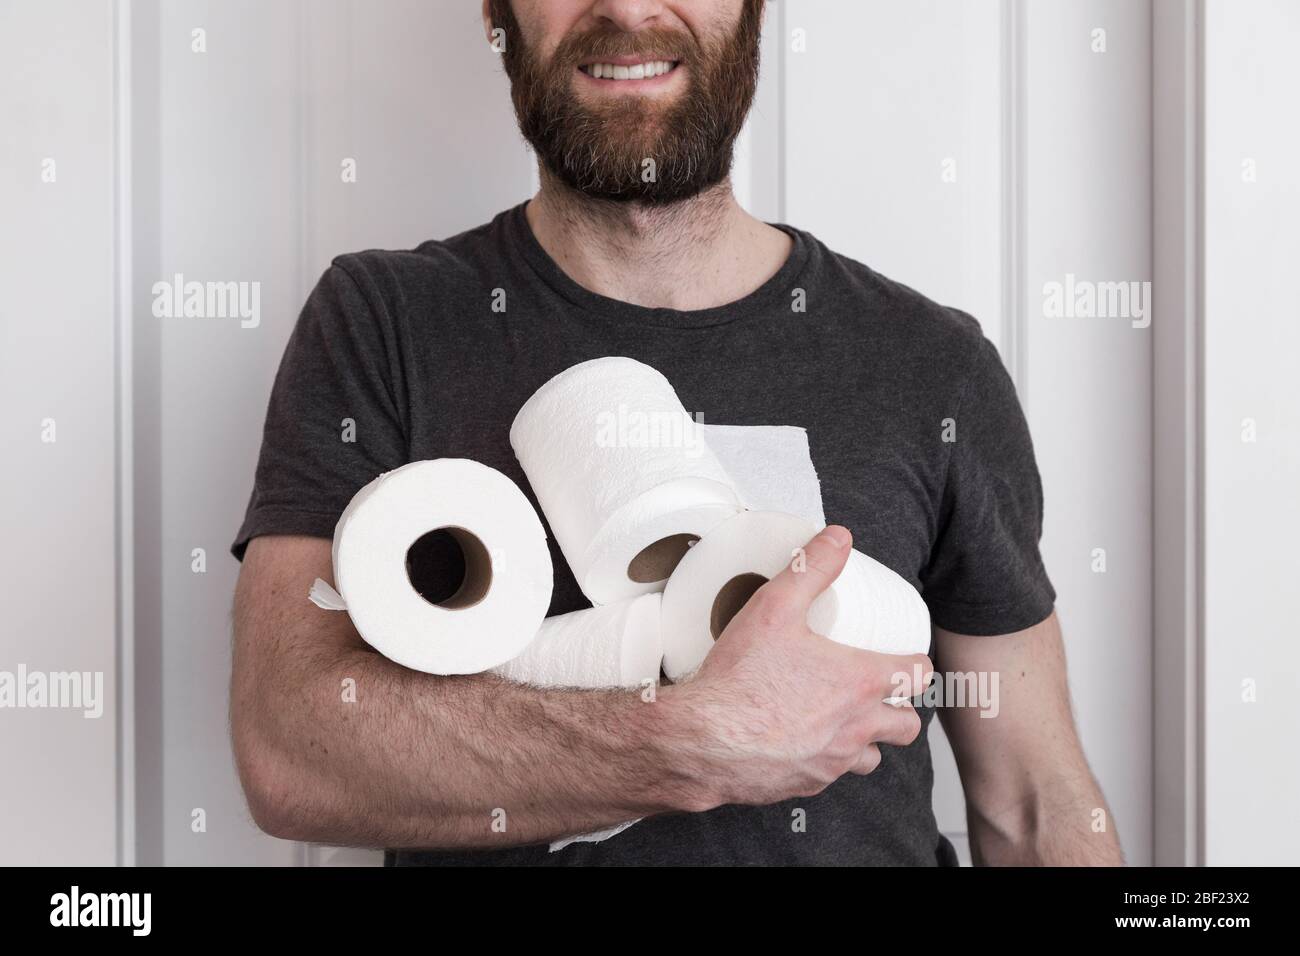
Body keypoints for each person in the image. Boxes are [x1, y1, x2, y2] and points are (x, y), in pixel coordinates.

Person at [229, 0, 1122, 866]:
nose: (626, 8)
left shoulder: (932, 364)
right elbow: (288, 750)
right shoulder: (384, 323)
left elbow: (1037, 804)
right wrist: (690, 743)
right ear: (497, 14)